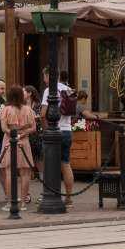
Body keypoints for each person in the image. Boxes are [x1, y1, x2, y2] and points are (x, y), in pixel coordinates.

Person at [0, 84, 38, 209]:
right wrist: (23, 133)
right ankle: (23, 203)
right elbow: (33, 128)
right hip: (24, 141)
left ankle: (10, 202)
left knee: (9, 172)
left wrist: (13, 133)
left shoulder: (6, 109)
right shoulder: (28, 110)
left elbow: (4, 128)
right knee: (25, 173)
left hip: (9, 141)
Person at [46, 69, 79, 207]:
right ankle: (69, 198)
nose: (44, 79)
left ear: (49, 75)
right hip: (67, 130)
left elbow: (43, 112)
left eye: (44, 76)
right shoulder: (69, 90)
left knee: (49, 165)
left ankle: (51, 194)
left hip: (54, 130)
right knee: (65, 163)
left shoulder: (49, 91)